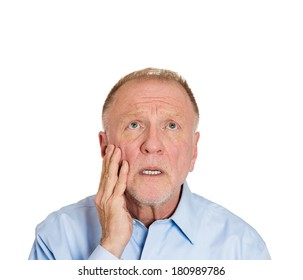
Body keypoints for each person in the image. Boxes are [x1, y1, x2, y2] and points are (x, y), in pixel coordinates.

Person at [29, 67, 271, 260]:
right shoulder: (55, 237)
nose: (153, 144)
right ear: (105, 147)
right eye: (134, 125)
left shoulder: (243, 249)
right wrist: (110, 247)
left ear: (194, 151)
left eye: (171, 126)